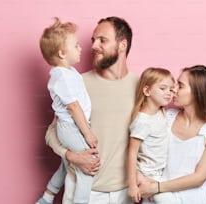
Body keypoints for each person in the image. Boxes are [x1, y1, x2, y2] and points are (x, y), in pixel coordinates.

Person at [37, 16, 139, 204]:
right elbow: (51, 134)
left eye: (103, 40)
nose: (93, 46)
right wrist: (71, 156)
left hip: (124, 194)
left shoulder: (141, 87)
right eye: (93, 40)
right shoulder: (76, 83)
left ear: (122, 45)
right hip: (82, 193)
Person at [138, 65, 206, 204]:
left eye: (180, 86)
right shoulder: (166, 117)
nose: (173, 89)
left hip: (189, 198)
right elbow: (142, 151)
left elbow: (199, 177)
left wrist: (157, 188)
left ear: (197, 92)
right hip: (156, 198)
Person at [37, 17, 98, 204]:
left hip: (70, 127)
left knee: (66, 165)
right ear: (62, 53)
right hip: (71, 128)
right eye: (77, 45)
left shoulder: (67, 72)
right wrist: (88, 134)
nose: (81, 48)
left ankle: (47, 196)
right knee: (88, 169)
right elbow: (73, 106)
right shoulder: (62, 76)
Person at [127, 67, 178, 204]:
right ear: (147, 91)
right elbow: (132, 153)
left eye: (171, 89)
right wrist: (133, 185)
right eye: (163, 88)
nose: (169, 93)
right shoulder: (143, 121)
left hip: (161, 174)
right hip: (148, 175)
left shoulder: (161, 111)